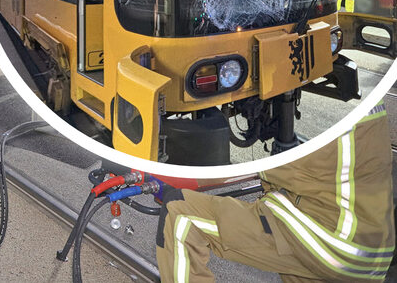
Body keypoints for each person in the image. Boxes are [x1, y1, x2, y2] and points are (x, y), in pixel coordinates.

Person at [156, 103, 395, 282]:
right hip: (374, 252)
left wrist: (182, 177)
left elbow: (281, 171)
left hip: (331, 242)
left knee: (180, 214)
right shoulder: (371, 108)